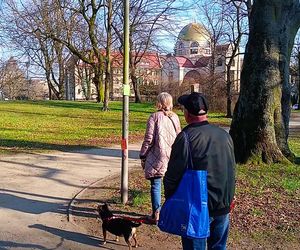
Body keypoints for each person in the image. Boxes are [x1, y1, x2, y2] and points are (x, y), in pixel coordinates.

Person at [163, 92, 235, 250]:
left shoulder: (186, 138)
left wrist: (171, 200)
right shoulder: (225, 136)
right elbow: (231, 171)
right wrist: (230, 199)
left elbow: (172, 177)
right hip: (223, 206)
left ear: (187, 113)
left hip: (196, 209)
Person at [140, 92, 181, 223]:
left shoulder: (154, 117)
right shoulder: (175, 117)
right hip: (172, 155)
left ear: (159, 102)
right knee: (171, 185)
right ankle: (170, 213)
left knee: (156, 184)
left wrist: (143, 154)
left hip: (158, 155)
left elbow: (149, 139)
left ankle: (156, 214)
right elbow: (179, 136)